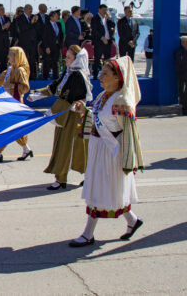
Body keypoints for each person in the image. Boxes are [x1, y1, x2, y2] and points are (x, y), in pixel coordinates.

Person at [68, 57, 144, 247]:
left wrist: (128, 160)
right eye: (100, 72)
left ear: (118, 78)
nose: (100, 76)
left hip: (110, 155)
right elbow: (97, 117)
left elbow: (129, 133)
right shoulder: (103, 95)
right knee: (111, 191)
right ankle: (133, 221)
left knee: (99, 191)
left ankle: (88, 234)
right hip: (98, 149)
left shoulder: (121, 101)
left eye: (105, 74)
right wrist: (83, 110)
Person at [28, 45, 92, 190]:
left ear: (77, 59)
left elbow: (66, 97)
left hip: (73, 117)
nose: (66, 59)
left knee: (72, 146)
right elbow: (55, 87)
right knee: (66, 145)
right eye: (66, 56)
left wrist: (50, 113)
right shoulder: (69, 72)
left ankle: (78, 176)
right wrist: (37, 95)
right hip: (65, 114)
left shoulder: (77, 76)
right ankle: (62, 177)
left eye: (69, 57)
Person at [0, 47, 33, 163]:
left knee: (5, 129)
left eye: (10, 55)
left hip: (15, 104)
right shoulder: (9, 70)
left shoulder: (20, 71)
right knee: (14, 129)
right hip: (7, 104)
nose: (8, 56)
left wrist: (11, 87)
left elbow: (25, 87)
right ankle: (26, 149)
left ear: (16, 56)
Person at [91, 4, 116, 79]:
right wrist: (102, 38)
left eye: (106, 10)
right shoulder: (95, 19)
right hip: (99, 42)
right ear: (99, 10)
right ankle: (95, 75)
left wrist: (110, 18)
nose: (105, 12)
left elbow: (113, 25)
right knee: (97, 59)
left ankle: (106, 74)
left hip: (108, 42)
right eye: (103, 10)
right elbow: (95, 31)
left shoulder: (107, 19)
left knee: (107, 60)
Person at [15, 4, 39, 79]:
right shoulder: (20, 18)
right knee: (25, 59)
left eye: (31, 9)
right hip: (24, 42)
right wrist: (31, 23)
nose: (31, 10)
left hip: (32, 41)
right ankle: (24, 75)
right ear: (25, 9)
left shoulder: (32, 17)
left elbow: (37, 28)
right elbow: (23, 29)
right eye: (29, 9)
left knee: (32, 58)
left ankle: (32, 74)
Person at [41, 10, 63, 80]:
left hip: (56, 46)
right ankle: (45, 77)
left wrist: (60, 43)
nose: (58, 17)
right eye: (56, 16)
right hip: (49, 46)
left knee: (55, 61)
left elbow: (61, 35)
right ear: (51, 17)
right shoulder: (46, 25)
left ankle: (55, 76)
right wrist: (46, 47)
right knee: (47, 61)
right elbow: (44, 37)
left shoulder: (58, 24)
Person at [175, 36, 187, 116]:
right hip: (183, 75)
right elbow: (179, 64)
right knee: (182, 92)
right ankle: (184, 108)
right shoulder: (179, 51)